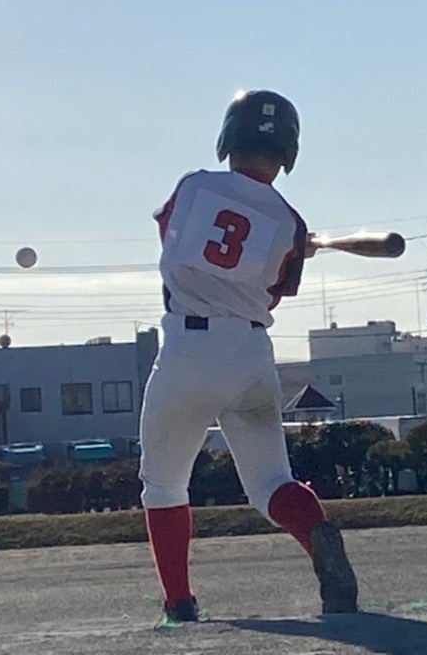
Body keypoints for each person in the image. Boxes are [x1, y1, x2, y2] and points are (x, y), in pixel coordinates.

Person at [137, 89, 359, 624]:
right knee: (270, 484)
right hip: (251, 354)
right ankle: (315, 533)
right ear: (287, 153)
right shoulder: (289, 221)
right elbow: (276, 289)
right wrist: (294, 244)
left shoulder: (194, 186)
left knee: (163, 484)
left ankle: (179, 600)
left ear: (228, 139)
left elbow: (170, 233)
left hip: (187, 348)